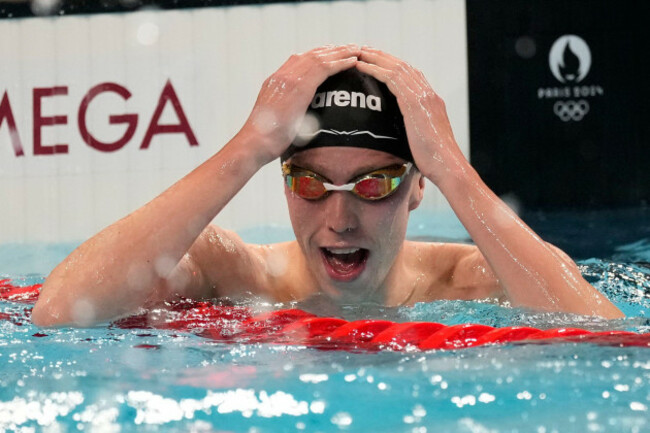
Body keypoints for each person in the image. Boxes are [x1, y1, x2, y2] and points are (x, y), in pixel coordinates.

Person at [32, 44, 623, 327]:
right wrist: (250, 147)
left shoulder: (477, 277)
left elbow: (602, 340)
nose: (340, 219)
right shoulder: (233, 272)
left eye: (373, 185)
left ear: (418, 189)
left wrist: (452, 168)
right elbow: (57, 314)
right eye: (312, 184)